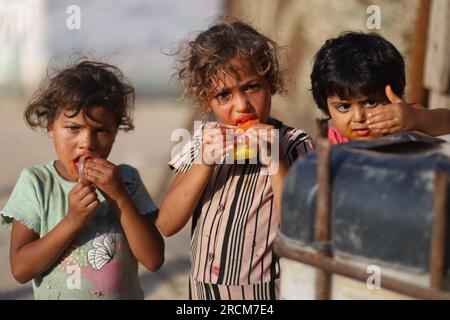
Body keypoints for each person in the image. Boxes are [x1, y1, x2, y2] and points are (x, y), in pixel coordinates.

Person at [156, 18, 314, 300]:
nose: (241, 106)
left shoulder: (294, 145)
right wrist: (203, 163)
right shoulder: (202, 142)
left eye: (252, 87)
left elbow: (303, 227)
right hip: (203, 295)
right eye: (224, 95)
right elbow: (166, 224)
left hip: (265, 296)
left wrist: (275, 159)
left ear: (271, 85)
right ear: (207, 101)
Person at [0, 60, 164, 299]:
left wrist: (120, 198)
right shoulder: (37, 183)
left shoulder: (126, 180)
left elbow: (153, 259)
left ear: (115, 132)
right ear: (50, 127)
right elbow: (21, 269)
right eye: (73, 128)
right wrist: (72, 221)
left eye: (100, 130)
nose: (87, 142)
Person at [310, 31, 450, 144]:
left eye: (371, 103)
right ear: (326, 107)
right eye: (344, 107)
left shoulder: (405, 120)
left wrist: (416, 119)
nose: (359, 118)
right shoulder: (331, 142)